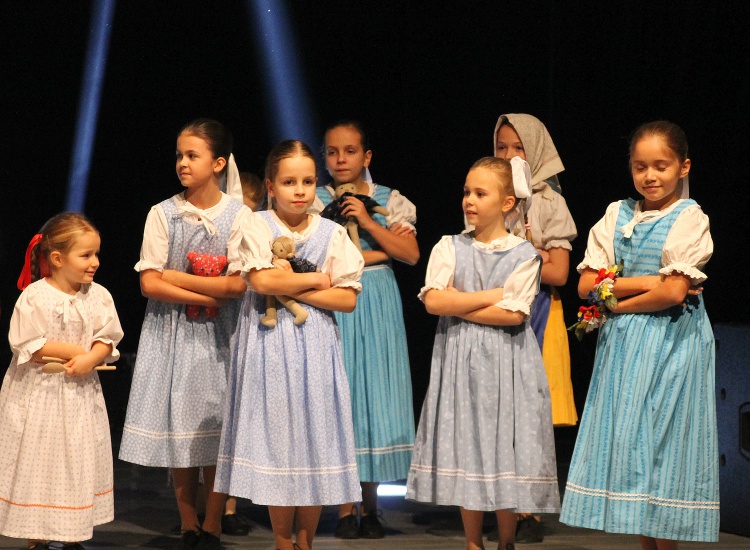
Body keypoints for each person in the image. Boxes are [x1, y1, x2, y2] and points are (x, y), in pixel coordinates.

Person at [559, 121, 718, 548]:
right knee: (632, 445)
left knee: (665, 445)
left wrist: (616, 301)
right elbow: (586, 284)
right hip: (625, 346)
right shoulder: (617, 214)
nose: (650, 176)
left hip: (672, 344)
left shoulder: (689, 218)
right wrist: (646, 282)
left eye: (660, 166)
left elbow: (674, 292)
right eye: (640, 166)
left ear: (683, 167)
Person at [215, 140, 364, 550]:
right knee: (279, 444)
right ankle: (283, 542)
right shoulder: (256, 225)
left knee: (314, 442)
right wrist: (315, 279)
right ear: (271, 186)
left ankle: (306, 542)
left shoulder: (332, 233)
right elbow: (262, 280)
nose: (300, 190)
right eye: (289, 182)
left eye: (308, 181)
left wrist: (293, 286)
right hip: (269, 345)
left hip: (315, 347)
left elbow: (347, 299)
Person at [407, 157, 561, 550]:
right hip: (460, 362)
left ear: (507, 203)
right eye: (467, 192)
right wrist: (492, 294)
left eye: (480, 193)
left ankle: (506, 539)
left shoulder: (524, 254)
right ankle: (473, 542)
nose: (469, 200)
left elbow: (513, 314)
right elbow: (433, 302)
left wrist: (458, 302)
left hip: (508, 363)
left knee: (503, 447)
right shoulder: (449, 246)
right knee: (468, 447)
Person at [118, 119, 251, 550]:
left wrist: (177, 277)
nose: (183, 163)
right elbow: (149, 283)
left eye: (192, 155)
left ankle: (213, 522)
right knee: (181, 432)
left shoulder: (239, 215)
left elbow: (238, 285)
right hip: (173, 334)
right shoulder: (163, 213)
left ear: (218, 163)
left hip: (220, 338)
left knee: (216, 432)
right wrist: (207, 291)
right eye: (179, 155)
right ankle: (188, 522)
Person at [310, 121, 419, 539]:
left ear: (366, 156)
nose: (341, 159)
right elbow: (313, 257)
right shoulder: (314, 199)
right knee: (341, 397)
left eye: (350, 151)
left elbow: (409, 253)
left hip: (377, 302)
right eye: (332, 152)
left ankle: (370, 508)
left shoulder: (389, 200)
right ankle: (342, 508)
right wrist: (374, 254)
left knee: (373, 396)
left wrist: (369, 223)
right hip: (336, 301)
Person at [0, 213, 123, 549]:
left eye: (96, 254)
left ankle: (72, 537)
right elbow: (28, 344)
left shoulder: (98, 295)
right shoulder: (35, 296)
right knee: (39, 462)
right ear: (57, 258)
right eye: (86, 255)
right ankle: (37, 538)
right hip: (39, 397)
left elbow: (107, 337)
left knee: (75, 463)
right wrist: (75, 352)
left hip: (78, 399)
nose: (95, 262)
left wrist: (92, 358)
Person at [492, 113, 578, 543]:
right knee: (500, 413)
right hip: (495, 310)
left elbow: (559, 271)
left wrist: (518, 252)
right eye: (501, 147)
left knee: (532, 416)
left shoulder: (548, 203)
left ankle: (531, 511)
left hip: (539, 311)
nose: (509, 156)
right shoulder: (489, 195)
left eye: (518, 147)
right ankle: (502, 505)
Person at [219, 169, 266, 537]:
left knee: (236, 412)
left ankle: (230, 505)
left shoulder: (258, 232)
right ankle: (206, 507)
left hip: (245, 319)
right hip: (216, 317)